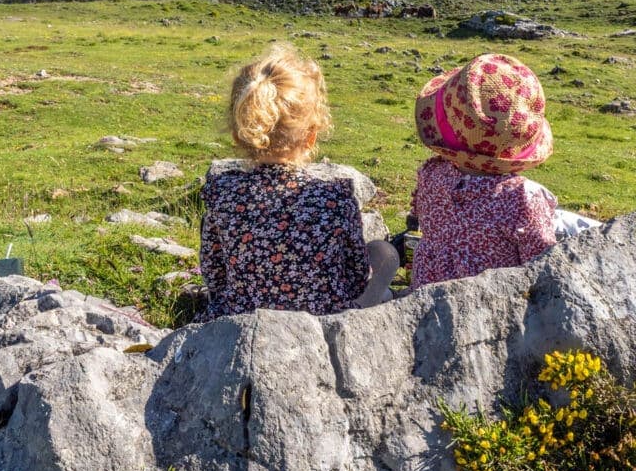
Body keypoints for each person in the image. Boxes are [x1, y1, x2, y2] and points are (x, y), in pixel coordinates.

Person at [196, 43, 397, 320]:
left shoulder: (221, 193)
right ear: (311, 135)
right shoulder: (334, 196)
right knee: (385, 253)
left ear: (239, 134)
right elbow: (355, 278)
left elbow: (214, 276)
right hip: (320, 324)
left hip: (240, 320)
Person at [410, 52, 597, 291]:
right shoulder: (522, 198)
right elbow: (542, 266)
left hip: (425, 296)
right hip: (490, 306)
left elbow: (419, 212)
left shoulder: (431, 173)